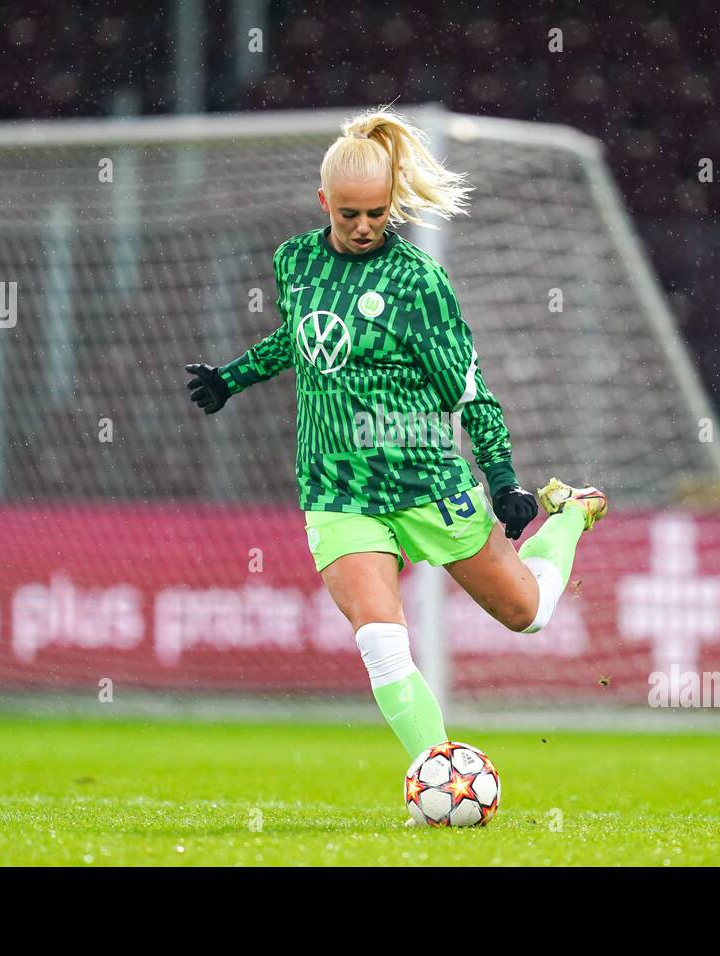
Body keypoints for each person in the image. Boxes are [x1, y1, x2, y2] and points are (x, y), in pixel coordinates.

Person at [186, 106, 606, 767]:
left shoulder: (418, 281)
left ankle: (573, 513)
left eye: (376, 213)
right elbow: (302, 337)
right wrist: (231, 378)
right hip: (337, 490)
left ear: (393, 205)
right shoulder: (294, 261)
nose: (362, 227)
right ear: (324, 201)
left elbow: (469, 389)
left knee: (529, 614)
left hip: (428, 484)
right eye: (347, 213)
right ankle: (440, 775)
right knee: (382, 642)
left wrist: (502, 480)